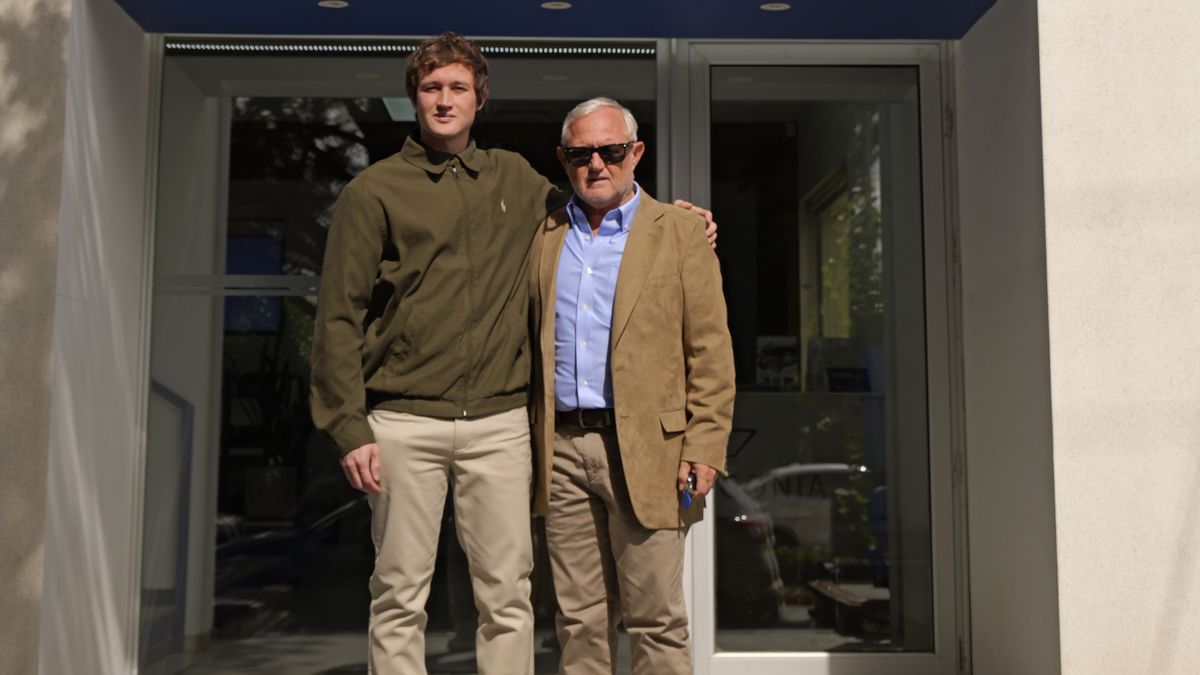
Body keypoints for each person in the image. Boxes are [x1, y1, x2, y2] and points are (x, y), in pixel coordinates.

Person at [310, 35, 715, 675]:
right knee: (398, 595)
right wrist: (348, 426)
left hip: (500, 427)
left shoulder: (515, 179)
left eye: (458, 88)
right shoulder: (373, 191)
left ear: (480, 99)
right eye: (432, 88)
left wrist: (672, 219)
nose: (445, 100)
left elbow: (602, 199)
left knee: (507, 595)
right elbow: (337, 318)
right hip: (404, 423)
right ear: (415, 97)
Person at [528, 97, 736, 674]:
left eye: (611, 150)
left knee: (656, 620)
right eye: (581, 154)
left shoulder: (681, 232)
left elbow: (710, 351)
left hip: (649, 450)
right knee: (579, 623)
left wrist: (704, 445)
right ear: (563, 160)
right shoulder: (542, 232)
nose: (596, 164)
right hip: (562, 450)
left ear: (636, 152)